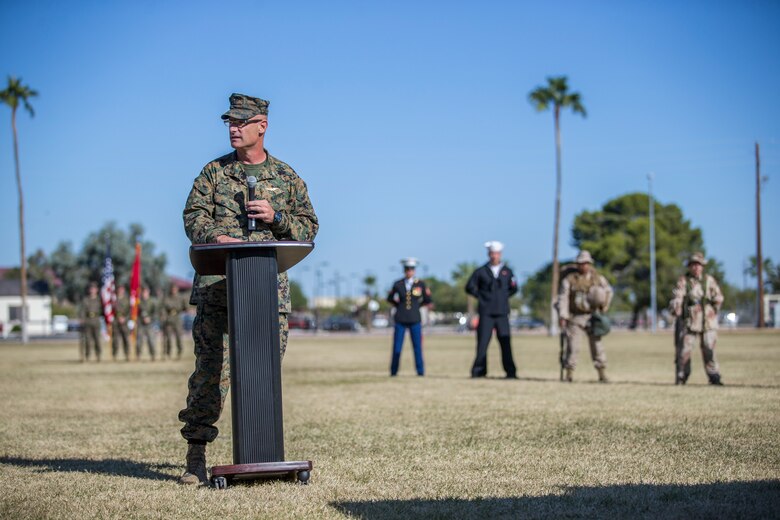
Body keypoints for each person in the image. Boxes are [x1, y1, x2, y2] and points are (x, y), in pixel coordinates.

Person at [177, 93, 318, 485]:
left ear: (262, 125)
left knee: (263, 372)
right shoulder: (213, 173)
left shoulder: (286, 177)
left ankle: (264, 456)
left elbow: (309, 227)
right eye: (229, 122)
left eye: (241, 122)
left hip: (266, 295)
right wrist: (215, 236)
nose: (234, 129)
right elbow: (192, 218)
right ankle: (196, 455)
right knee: (210, 374)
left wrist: (277, 217)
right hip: (218, 290)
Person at [669, 252, 724, 386]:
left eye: (698, 265)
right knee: (684, 350)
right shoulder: (684, 281)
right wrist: (677, 307)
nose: (695, 267)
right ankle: (682, 376)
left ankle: (714, 377)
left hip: (708, 321)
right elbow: (677, 297)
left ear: (702, 266)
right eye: (693, 265)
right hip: (690, 321)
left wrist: (713, 311)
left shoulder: (709, 280)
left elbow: (718, 298)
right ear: (689, 267)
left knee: (709, 349)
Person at [557, 250, 613, 383]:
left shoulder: (597, 278)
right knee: (573, 347)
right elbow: (563, 298)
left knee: (597, 346)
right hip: (575, 317)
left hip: (593, 317)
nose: (583, 266)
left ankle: (602, 373)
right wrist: (563, 315)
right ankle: (569, 373)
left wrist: (604, 305)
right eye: (581, 263)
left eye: (586, 263)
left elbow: (609, 291)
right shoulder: (570, 279)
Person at [465, 241, 518, 379]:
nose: (494, 256)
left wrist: (503, 297)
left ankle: (510, 372)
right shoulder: (481, 271)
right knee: (482, 343)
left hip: (502, 313)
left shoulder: (507, 271)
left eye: (497, 253)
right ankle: (479, 371)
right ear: (489, 254)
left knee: (505, 344)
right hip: (486, 313)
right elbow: (469, 287)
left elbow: (514, 288)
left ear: (500, 254)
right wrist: (481, 297)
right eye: (492, 253)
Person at [386, 258, 432, 376]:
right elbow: (390, 298)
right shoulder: (398, 284)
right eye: (407, 269)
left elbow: (427, 299)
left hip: (415, 318)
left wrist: (416, 306)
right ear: (404, 270)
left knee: (417, 347)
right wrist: (399, 305)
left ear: (414, 271)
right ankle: (394, 371)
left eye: (411, 269)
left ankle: (420, 371)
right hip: (400, 318)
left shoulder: (420, 284)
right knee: (397, 347)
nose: (409, 271)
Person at [161, 284, 187, 360]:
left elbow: (185, 307)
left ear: (177, 290)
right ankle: (167, 353)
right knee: (168, 337)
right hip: (169, 319)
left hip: (177, 319)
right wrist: (163, 315)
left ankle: (179, 352)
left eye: (175, 289)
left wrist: (183, 309)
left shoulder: (180, 298)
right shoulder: (167, 298)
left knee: (178, 337)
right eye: (172, 289)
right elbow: (163, 308)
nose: (174, 291)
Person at [79, 282, 102, 362]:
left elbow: (104, 310)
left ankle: (98, 356)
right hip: (88, 321)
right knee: (87, 341)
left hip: (96, 321)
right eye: (91, 289)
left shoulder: (99, 300)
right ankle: (87, 356)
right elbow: (82, 311)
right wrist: (82, 319)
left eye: (94, 289)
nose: (92, 290)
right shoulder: (86, 300)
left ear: (97, 290)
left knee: (97, 340)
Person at [135, 286, 157, 361]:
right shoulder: (139, 302)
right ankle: (138, 355)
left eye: (146, 292)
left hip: (149, 325)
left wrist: (150, 318)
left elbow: (155, 313)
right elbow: (136, 313)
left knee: (151, 340)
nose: (145, 294)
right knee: (139, 341)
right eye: (143, 292)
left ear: (148, 292)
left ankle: (153, 355)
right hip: (141, 324)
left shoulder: (152, 301)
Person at [112, 285, 131, 361]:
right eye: (119, 289)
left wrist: (124, 318)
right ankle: (114, 355)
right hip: (116, 322)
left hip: (124, 322)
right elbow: (110, 311)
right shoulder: (113, 299)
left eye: (122, 289)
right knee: (115, 340)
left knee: (126, 339)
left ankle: (127, 355)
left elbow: (130, 312)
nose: (120, 291)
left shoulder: (127, 300)